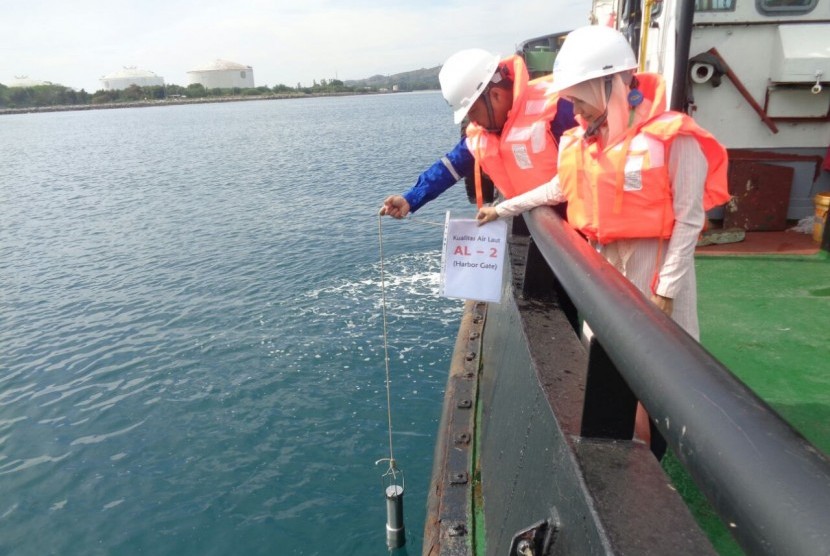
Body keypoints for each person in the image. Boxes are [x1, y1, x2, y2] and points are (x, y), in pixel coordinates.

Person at [476, 25, 730, 456]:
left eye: (577, 98)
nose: (572, 109)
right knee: (609, 361)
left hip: (656, 266)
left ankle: (662, 452)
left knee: (665, 366)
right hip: (604, 267)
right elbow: (559, 187)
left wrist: (667, 286)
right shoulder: (579, 141)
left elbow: (689, 220)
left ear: (607, 84)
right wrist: (502, 208)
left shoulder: (673, 137)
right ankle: (634, 454)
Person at [380, 48, 576, 218]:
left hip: (580, 237)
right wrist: (410, 198)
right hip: (542, 226)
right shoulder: (484, 133)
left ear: (495, 95)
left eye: (473, 112)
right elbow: (450, 166)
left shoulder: (561, 109)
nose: (473, 122)